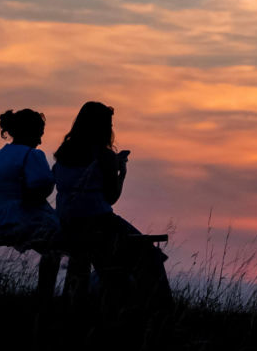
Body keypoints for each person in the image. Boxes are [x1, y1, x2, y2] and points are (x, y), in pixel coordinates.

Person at [52, 101, 171, 310]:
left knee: (104, 263)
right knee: (150, 257)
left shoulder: (63, 153)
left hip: (66, 222)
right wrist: (121, 172)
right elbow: (111, 197)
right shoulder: (104, 155)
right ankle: (161, 312)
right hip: (99, 223)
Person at [0, 108, 61, 299]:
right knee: (62, 242)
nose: (40, 141)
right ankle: (46, 293)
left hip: (1, 219)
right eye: (39, 134)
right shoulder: (32, 155)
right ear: (31, 132)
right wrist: (54, 176)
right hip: (26, 218)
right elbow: (41, 187)